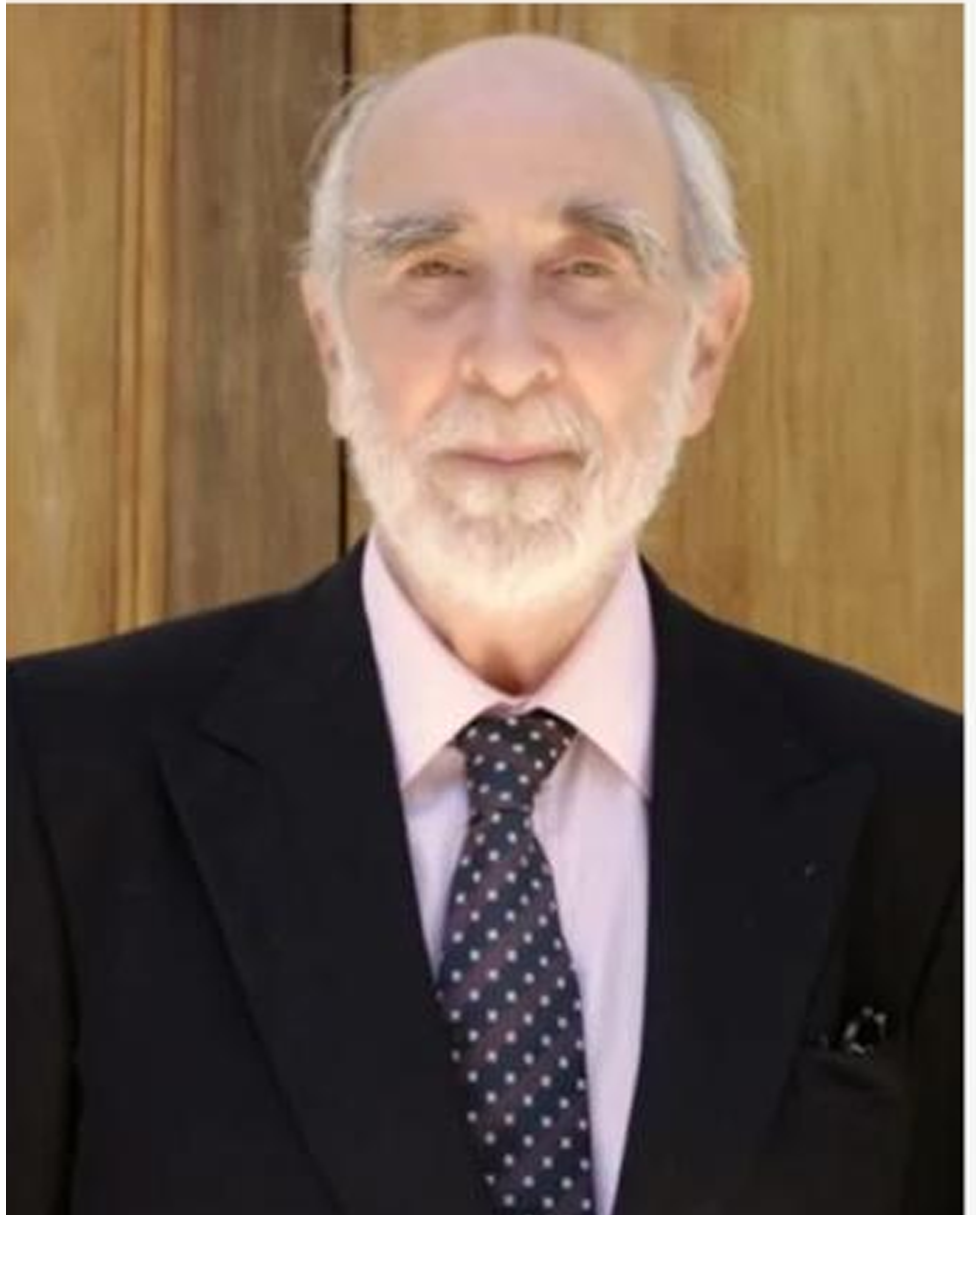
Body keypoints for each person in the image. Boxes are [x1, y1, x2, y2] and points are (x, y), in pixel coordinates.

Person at [7, 31, 960, 1247]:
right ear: (328, 342)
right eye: (432, 266)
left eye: (588, 266)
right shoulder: (51, 785)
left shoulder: (930, 822)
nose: (507, 363)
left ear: (708, 347)